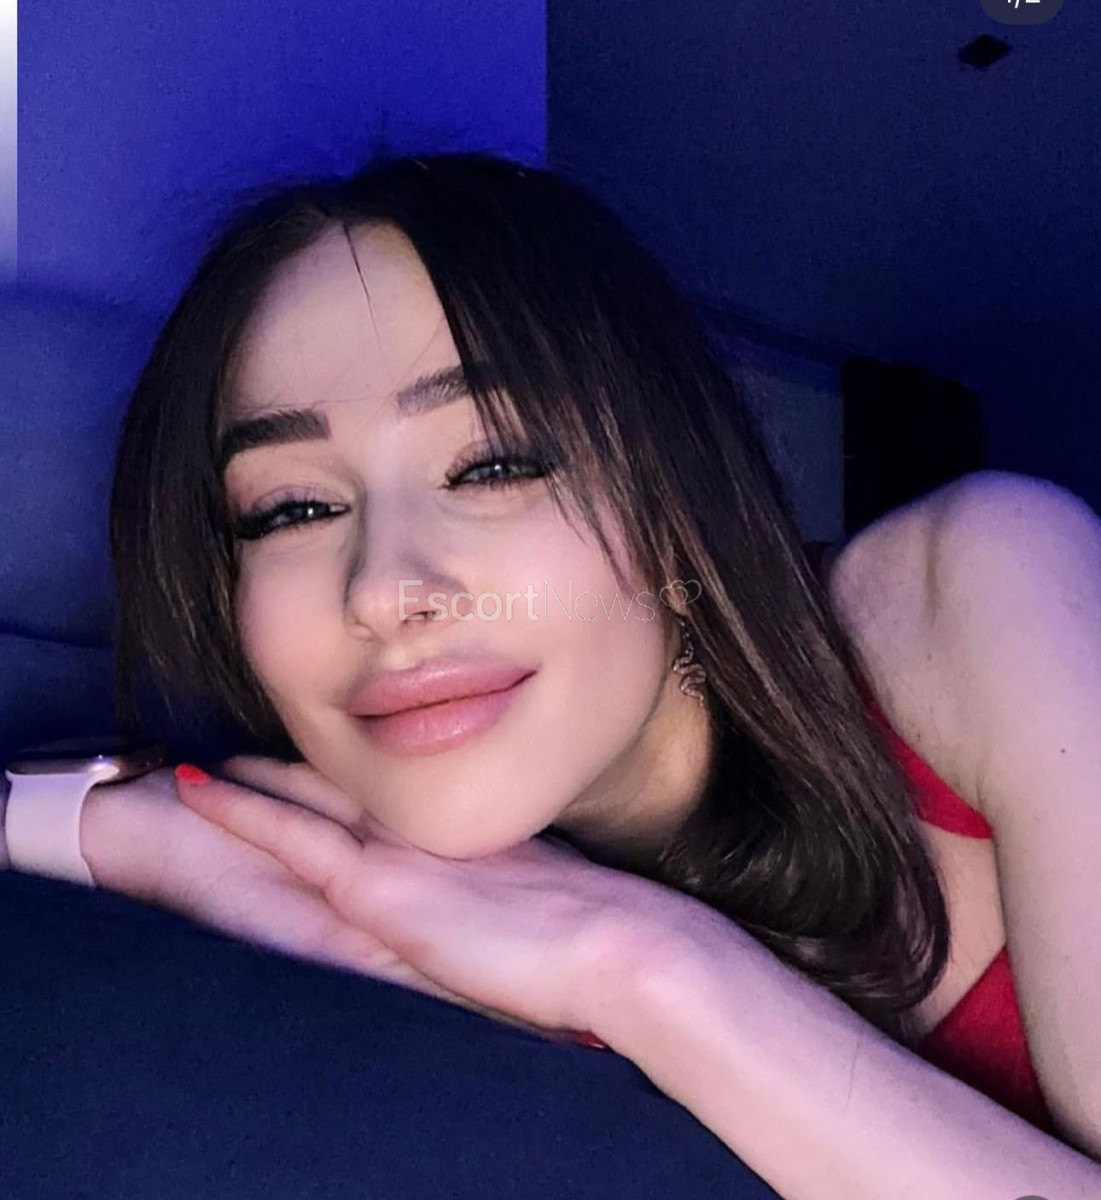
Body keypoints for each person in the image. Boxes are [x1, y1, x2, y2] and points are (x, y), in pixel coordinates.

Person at [4, 151, 1101, 1197]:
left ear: (678, 501)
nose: (383, 590)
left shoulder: (977, 584)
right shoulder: (361, 858)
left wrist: (646, 964)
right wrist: (142, 831)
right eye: (292, 509)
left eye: (493, 464)